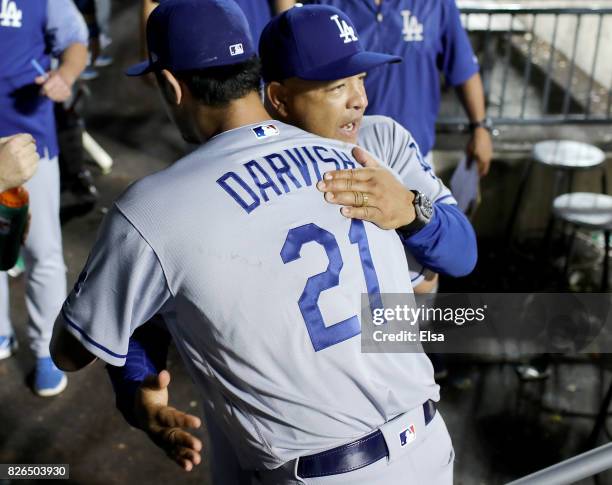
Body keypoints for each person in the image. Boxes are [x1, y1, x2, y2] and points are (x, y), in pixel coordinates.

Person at [52, 1, 456, 483]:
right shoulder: (354, 158)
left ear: (173, 86)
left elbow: (69, 352)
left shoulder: (152, 207)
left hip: (324, 473)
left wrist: (136, 391)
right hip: (430, 443)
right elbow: (425, 277)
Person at [0, 0, 88, 396]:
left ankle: (45, 352)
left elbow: (75, 42)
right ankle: (1, 333)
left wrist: (65, 75)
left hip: (28, 143)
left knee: (42, 250)